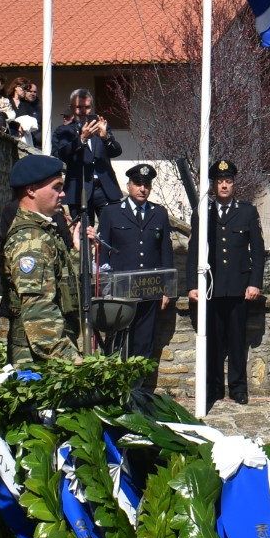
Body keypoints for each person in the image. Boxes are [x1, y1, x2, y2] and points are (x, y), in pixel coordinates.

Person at [186, 159, 264, 408]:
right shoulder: (203, 212)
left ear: (233, 184)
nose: (223, 185)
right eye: (220, 181)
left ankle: (238, 388)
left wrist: (255, 283)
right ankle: (214, 387)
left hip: (239, 287)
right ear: (213, 185)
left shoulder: (247, 212)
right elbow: (194, 250)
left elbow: (258, 251)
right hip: (211, 288)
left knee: (238, 340)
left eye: (228, 181)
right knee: (213, 341)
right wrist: (192, 285)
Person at [98, 163, 173, 383]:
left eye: (146, 185)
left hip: (149, 289)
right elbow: (102, 253)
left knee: (144, 341)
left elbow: (165, 252)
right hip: (120, 290)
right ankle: (116, 386)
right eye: (138, 184)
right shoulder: (111, 213)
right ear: (129, 185)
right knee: (117, 340)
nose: (142, 189)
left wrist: (167, 288)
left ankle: (137, 389)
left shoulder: (159, 213)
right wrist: (104, 286)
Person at [3, 153, 80, 363]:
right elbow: (38, 311)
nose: (62, 194)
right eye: (56, 187)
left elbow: (60, 282)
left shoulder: (43, 232)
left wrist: (76, 251)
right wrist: (71, 359)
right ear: (31, 190)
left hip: (49, 354)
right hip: (38, 360)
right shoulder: (31, 241)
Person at [52, 88, 122, 222]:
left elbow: (116, 151)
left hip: (105, 188)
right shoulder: (64, 131)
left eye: (88, 107)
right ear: (71, 108)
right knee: (83, 231)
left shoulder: (102, 127)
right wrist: (82, 139)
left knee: (115, 228)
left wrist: (106, 138)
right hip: (79, 189)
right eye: (79, 107)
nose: (84, 111)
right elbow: (61, 155)